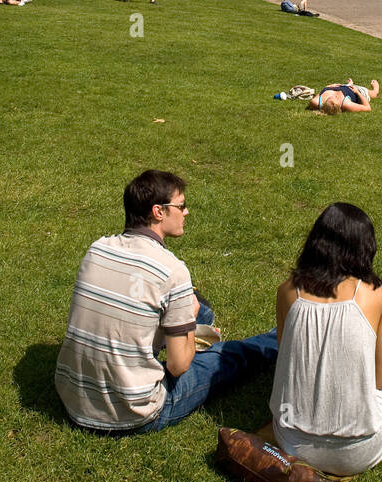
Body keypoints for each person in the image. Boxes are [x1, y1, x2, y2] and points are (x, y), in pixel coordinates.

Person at [55, 169, 278, 435]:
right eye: (181, 206)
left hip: (73, 398)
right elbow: (177, 366)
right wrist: (190, 328)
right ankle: (280, 338)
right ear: (158, 212)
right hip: (133, 411)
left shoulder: (97, 248)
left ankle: (187, 323)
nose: (186, 212)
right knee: (227, 358)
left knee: (200, 311)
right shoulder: (172, 270)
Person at [267, 203, 382, 476]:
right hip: (358, 453)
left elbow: (287, 356)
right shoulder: (378, 295)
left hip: (291, 443)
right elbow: (380, 380)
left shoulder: (287, 292)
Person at [307, 79, 380, 114]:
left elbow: (320, 93)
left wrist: (328, 86)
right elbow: (368, 108)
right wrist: (357, 92)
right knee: (372, 94)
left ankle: (349, 84)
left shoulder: (316, 102)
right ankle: (376, 89)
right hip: (357, 91)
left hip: (344, 86)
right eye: (337, 98)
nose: (334, 95)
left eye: (330, 98)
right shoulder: (346, 104)